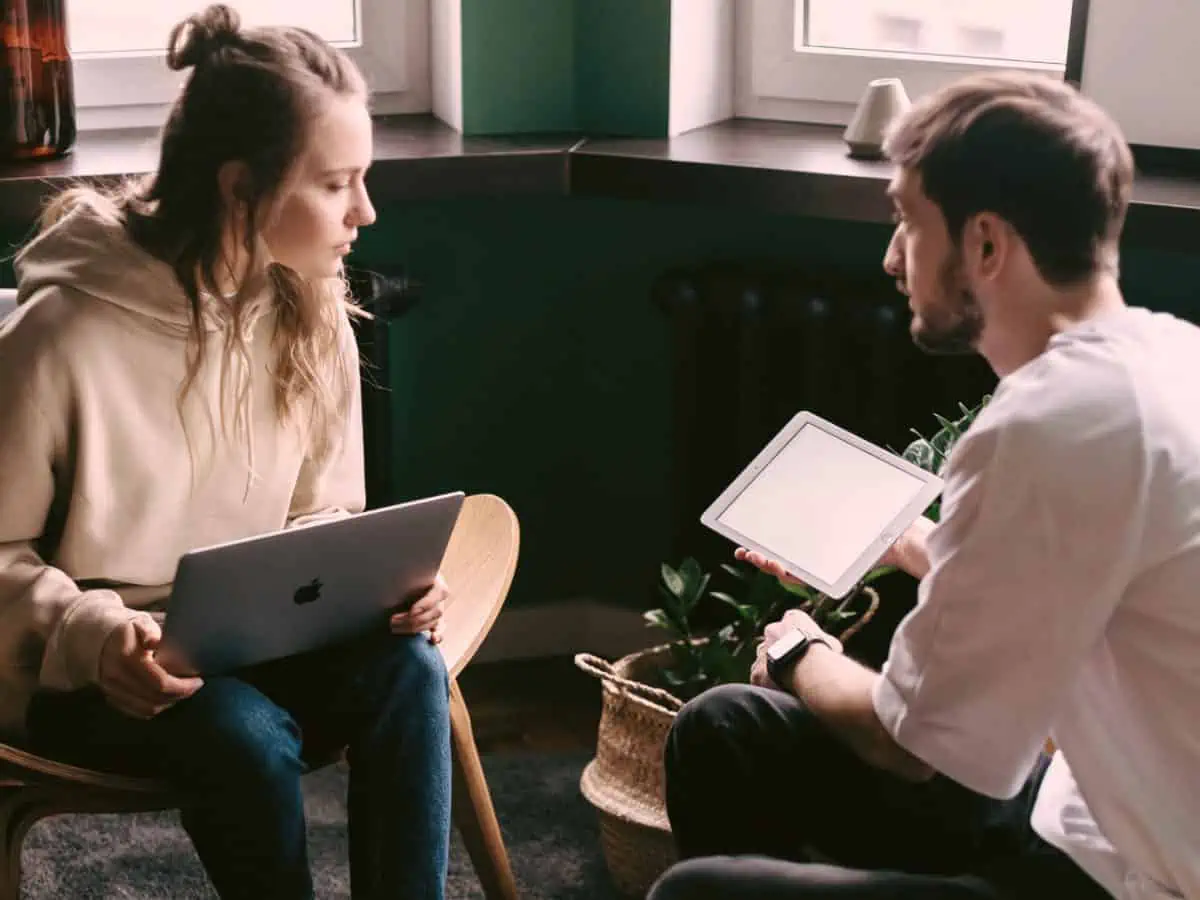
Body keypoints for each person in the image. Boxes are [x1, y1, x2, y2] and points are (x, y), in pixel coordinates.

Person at [649, 71, 1199, 900]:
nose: (890, 257)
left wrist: (799, 653)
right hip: (1084, 810)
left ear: (984, 244)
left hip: (1128, 878)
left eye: (906, 221)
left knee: (692, 891)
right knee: (725, 727)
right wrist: (908, 546)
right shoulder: (1169, 359)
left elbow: (910, 741)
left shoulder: (1044, 424)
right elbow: (1073, 574)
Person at [0, 6, 453, 898]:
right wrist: (95, 638)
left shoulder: (310, 302)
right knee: (238, 727)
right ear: (243, 187)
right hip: (99, 681)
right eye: (337, 183)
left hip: (260, 641)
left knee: (407, 666)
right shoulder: (63, 334)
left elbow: (324, 512)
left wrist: (385, 591)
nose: (366, 209)